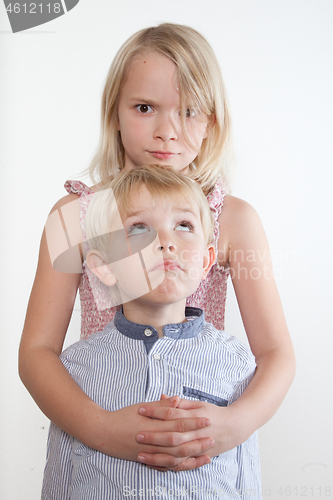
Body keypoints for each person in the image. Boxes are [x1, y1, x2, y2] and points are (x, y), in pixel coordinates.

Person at [19, 23, 295, 472]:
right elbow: (35, 353)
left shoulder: (232, 222)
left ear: (213, 122)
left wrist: (235, 425)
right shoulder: (75, 217)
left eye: (189, 111)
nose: (168, 131)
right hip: (97, 440)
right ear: (116, 113)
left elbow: (277, 354)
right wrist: (101, 427)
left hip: (198, 449)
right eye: (145, 107)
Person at [42, 165, 261, 499]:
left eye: (184, 225)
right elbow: (58, 479)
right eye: (140, 228)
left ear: (206, 262)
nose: (166, 242)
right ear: (104, 266)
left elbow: (247, 478)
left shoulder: (237, 365)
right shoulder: (73, 371)